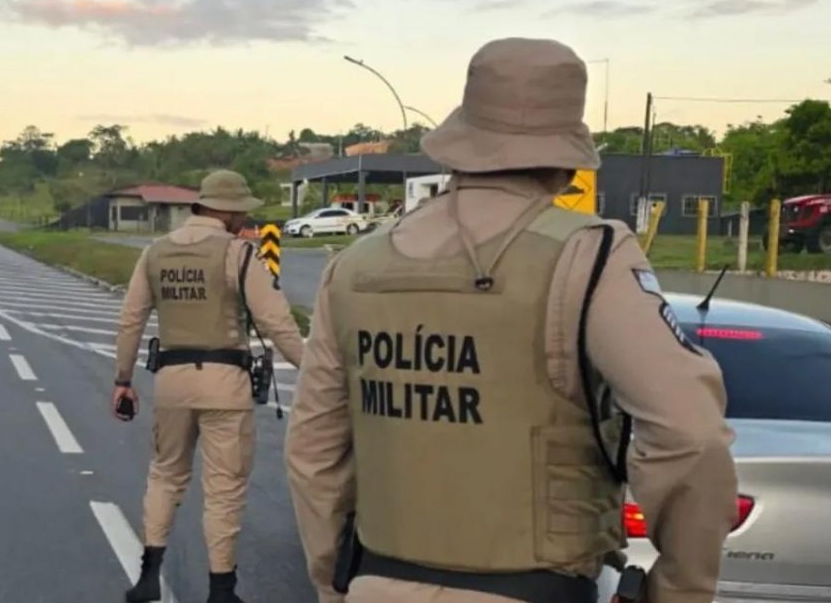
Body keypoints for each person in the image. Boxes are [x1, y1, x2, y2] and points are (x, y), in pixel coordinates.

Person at [284, 37, 738, 603]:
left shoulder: (354, 266)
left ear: (461, 141)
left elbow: (314, 453)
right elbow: (691, 437)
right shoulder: (589, 253)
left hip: (375, 580)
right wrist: (680, 590)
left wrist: (334, 581)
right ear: (567, 155)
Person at [113, 169, 305, 603]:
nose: (243, 218)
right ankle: (221, 590)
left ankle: (148, 578)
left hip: (172, 382)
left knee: (164, 476)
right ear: (225, 209)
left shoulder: (155, 253)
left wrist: (123, 380)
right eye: (240, 210)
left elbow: (130, 319)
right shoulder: (239, 254)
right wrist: (313, 372)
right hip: (225, 383)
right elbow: (277, 323)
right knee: (224, 488)